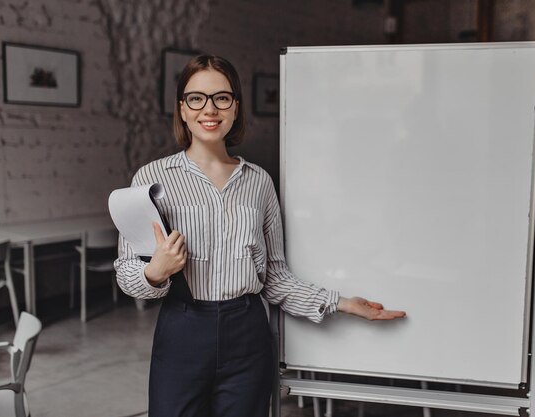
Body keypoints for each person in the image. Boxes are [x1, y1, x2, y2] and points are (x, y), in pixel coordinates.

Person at [114, 55, 406, 417]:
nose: (210, 109)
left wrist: (343, 303)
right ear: (183, 109)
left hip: (248, 334)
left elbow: (275, 277)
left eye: (222, 98)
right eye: (196, 98)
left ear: (235, 108)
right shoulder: (151, 179)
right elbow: (127, 271)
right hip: (182, 330)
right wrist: (154, 272)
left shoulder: (258, 182)